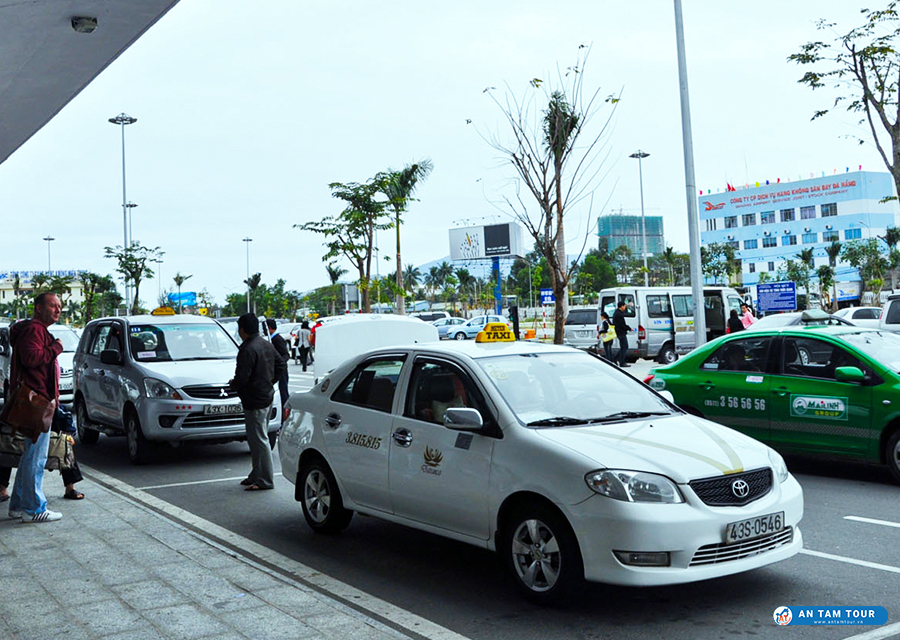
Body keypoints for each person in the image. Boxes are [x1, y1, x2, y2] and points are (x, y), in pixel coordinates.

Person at [5, 293, 64, 522]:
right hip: (37, 402)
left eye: (59, 306)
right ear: (38, 308)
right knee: (36, 456)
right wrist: (57, 348)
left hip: (37, 399)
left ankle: (18, 505)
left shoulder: (34, 329)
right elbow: (32, 358)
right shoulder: (35, 330)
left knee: (30, 455)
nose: (57, 310)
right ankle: (34, 509)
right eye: (52, 305)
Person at [230, 313, 285, 491]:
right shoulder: (265, 344)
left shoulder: (247, 349)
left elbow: (242, 377)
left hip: (255, 399)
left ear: (242, 329)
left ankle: (266, 480)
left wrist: (234, 385)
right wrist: (270, 381)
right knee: (255, 439)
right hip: (266, 395)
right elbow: (281, 365)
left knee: (259, 439)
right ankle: (256, 474)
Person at [0, 403, 84, 503]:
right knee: (6, 445)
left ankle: (70, 487)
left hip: (44, 408)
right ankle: (2, 487)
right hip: (24, 407)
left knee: (64, 444)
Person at [265, 319, 290, 411]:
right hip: (275, 369)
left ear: (270, 328)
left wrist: (280, 364)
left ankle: (286, 413)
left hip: (281, 370)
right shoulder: (271, 339)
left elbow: (286, 354)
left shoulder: (277, 339)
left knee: (283, 392)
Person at [612, 301, 631, 368]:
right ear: (622, 306)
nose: (625, 307)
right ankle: (621, 361)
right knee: (624, 346)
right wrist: (628, 328)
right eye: (624, 306)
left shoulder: (617, 313)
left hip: (619, 332)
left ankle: (616, 359)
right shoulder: (619, 314)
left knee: (623, 346)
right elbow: (621, 325)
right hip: (621, 332)